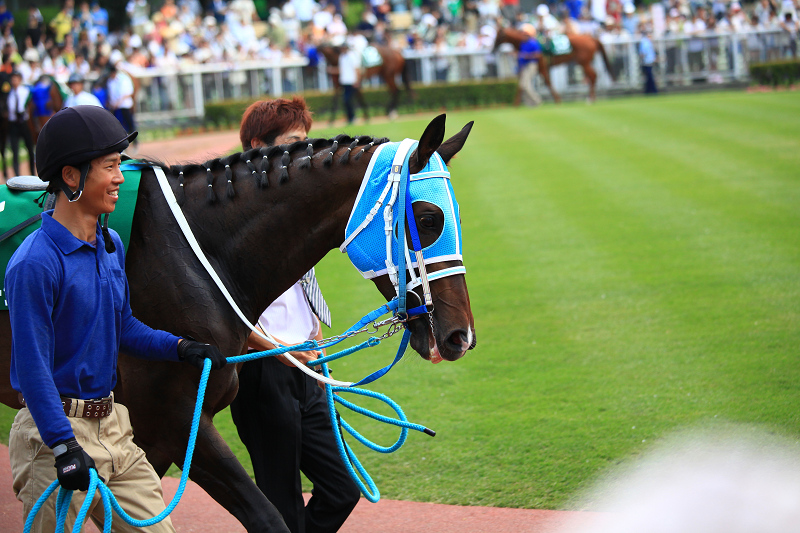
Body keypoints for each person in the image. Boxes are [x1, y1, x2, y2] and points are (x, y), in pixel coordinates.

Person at [6, 105, 228, 533]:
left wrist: (181, 347)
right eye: (109, 167)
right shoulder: (34, 263)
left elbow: (123, 325)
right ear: (71, 177)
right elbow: (33, 370)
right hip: (52, 437)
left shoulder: (109, 243)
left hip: (113, 427)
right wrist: (63, 445)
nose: (120, 178)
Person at [230, 97, 360, 533]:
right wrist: (277, 351)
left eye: (305, 143)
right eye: (291, 143)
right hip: (263, 369)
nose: (302, 152)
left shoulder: (293, 200)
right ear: (255, 145)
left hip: (309, 362)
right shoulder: (229, 215)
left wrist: (312, 329)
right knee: (281, 504)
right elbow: (223, 307)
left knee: (342, 489)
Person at [6, 71, 36, 176]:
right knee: (15, 150)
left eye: (16, 79)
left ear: (20, 80)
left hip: (24, 122)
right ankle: (16, 175)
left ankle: (32, 173)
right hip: (13, 123)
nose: (14, 81)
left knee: (29, 148)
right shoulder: (9, 93)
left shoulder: (26, 92)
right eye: (12, 79)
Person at [106, 62, 138, 151]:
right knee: (119, 127)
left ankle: (135, 144)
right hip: (116, 107)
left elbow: (128, 92)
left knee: (130, 125)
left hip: (125, 105)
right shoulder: (110, 81)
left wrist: (118, 102)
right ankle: (123, 146)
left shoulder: (123, 79)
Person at [517, 24, 543, 107]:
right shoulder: (522, 43)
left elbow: (538, 55)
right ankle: (530, 103)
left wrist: (527, 56)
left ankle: (537, 100)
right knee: (522, 85)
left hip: (531, 64)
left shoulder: (533, 43)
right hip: (524, 65)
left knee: (526, 84)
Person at [337, 39, 360, 125]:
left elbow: (356, 68)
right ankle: (350, 117)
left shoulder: (351, 56)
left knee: (348, 100)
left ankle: (352, 117)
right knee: (346, 100)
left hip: (351, 81)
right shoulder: (341, 57)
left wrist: (357, 80)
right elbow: (341, 69)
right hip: (345, 81)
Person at [639, 25, 658, 94]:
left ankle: (649, 90)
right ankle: (651, 90)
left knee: (649, 77)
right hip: (647, 62)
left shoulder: (648, 41)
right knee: (649, 77)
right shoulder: (644, 41)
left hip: (649, 61)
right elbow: (643, 53)